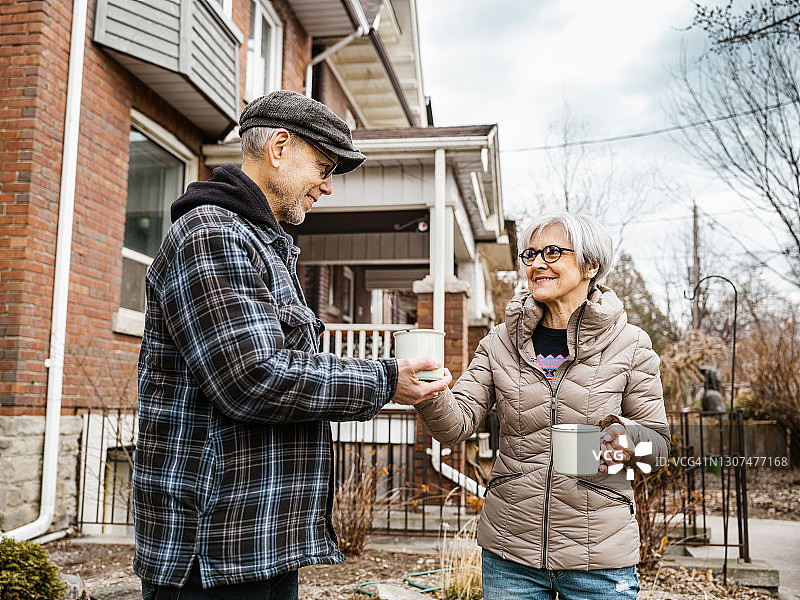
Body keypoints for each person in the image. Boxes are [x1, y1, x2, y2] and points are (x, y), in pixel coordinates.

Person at [133, 90, 451, 600]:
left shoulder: (261, 243)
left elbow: (290, 366)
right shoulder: (211, 234)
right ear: (279, 147)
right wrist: (385, 379)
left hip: (260, 543)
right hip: (214, 555)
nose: (327, 186)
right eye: (324, 167)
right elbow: (252, 378)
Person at [412, 212, 670, 599]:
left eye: (552, 252)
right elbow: (455, 426)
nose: (537, 264)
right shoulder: (500, 342)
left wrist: (602, 446)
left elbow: (658, 447)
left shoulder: (630, 345)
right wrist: (430, 390)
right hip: (510, 554)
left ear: (591, 265)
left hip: (599, 560)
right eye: (530, 254)